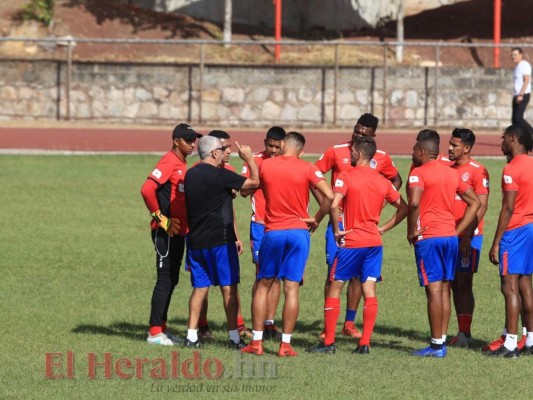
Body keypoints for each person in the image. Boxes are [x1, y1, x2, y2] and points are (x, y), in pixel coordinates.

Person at [308, 136, 408, 355]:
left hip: (352, 242)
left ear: (359, 155)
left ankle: (329, 343)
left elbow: (334, 204)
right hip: (374, 243)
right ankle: (364, 344)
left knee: (335, 286)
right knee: (369, 289)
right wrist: (382, 228)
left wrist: (336, 229)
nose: (350, 155)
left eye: (352, 153)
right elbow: (404, 208)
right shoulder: (382, 181)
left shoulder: (346, 176)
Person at [241, 132, 334, 357]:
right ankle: (285, 345)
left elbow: (245, 190)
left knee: (263, 284)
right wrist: (317, 218)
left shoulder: (267, 166)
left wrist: (249, 160)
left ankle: (257, 343)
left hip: (273, 231)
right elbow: (330, 197)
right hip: (299, 232)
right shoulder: (308, 168)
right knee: (292, 288)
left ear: (282, 145)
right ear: (300, 150)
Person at [408, 130, 481, 358]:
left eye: (414, 151)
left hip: (429, 238)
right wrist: (458, 231)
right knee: (444, 289)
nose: (412, 154)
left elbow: (413, 204)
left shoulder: (418, 173)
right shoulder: (452, 173)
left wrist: (412, 231)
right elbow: (475, 203)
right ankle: (440, 342)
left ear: (422, 152)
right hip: (450, 238)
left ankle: (436, 345)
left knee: (434, 291)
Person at [183, 135, 259, 349]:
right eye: (223, 148)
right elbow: (255, 183)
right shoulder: (221, 175)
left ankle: (191, 336)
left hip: (196, 242)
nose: (226, 151)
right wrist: (250, 160)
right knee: (229, 289)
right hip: (221, 242)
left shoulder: (190, 175)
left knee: (199, 289)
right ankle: (234, 338)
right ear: (214, 153)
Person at [140, 123, 202, 346]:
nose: (192, 143)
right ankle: (154, 333)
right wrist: (161, 219)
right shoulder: (168, 161)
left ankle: (161, 329)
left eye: (194, 139)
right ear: (176, 141)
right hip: (165, 233)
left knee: (172, 279)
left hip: (179, 232)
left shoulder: (181, 164)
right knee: (165, 280)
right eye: (188, 140)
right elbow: (146, 189)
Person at [488, 123, 533, 358]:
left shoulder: (511, 169)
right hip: (531, 229)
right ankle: (531, 340)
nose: (501, 142)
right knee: (526, 285)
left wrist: (496, 242)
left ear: (514, 139)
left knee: (509, 287)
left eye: (504, 138)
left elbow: (508, 207)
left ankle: (510, 344)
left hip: (515, 231)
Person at [241, 126, 287, 340]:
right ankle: (257, 325)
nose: (274, 150)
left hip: (283, 225)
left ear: (284, 145)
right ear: (265, 142)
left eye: (278, 146)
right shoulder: (255, 160)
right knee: (262, 276)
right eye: (270, 145)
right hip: (260, 225)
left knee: (277, 277)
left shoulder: (289, 162)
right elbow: (242, 191)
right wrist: (260, 179)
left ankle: (269, 323)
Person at [446, 129, 490, 347]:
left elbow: (481, 206)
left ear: (467, 148)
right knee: (450, 282)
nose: (450, 148)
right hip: (446, 234)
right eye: (450, 144)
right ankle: (453, 331)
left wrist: (467, 236)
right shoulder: (445, 168)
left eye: (455, 145)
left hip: (468, 237)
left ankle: (465, 333)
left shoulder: (477, 171)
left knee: (463, 282)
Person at [511, 47, 532, 132]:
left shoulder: (524, 65)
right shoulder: (517, 67)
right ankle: (521, 139)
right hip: (516, 95)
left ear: (521, 55)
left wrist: (521, 94)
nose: (513, 57)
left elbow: (526, 80)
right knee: (514, 120)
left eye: (515, 55)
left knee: (518, 118)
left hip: (523, 95)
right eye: (512, 55)